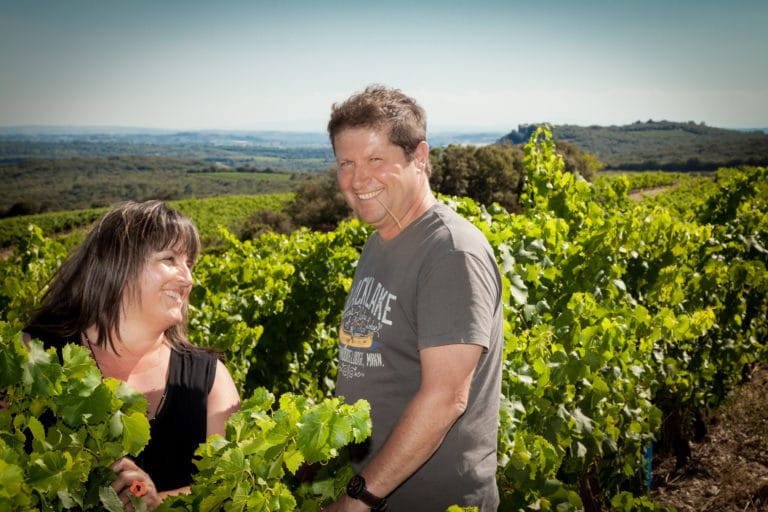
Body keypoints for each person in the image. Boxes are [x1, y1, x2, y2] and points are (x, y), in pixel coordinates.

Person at [324, 85, 504, 511]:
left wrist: (358, 500)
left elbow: (445, 398)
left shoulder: (450, 251)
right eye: (345, 163)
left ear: (419, 158)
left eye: (375, 160)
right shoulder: (379, 241)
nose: (357, 179)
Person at [24, 200, 241, 511]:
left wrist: (155, 502)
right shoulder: (33, 354)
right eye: (170, 259)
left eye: (189, 264)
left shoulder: (210, 379)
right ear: (119, 264)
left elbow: (230, 491)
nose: (188, 279)